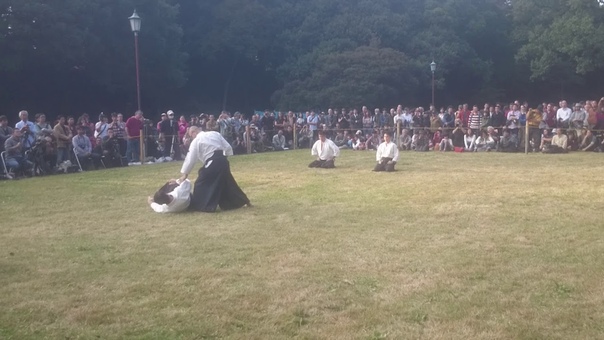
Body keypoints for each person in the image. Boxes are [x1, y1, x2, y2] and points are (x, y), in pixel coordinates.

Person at [179, 126, 251, 212]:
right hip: (223, 161)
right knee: (228, 182)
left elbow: (191, 158)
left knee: (201, 182)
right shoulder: (215, 134)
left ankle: (202, 205)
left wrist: (185, 174)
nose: (192, 137)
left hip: (213, 163)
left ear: (194, 132)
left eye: (191, 135)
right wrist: (223, 158)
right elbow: (228, 147)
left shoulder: (196, 141)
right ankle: (243, 201)